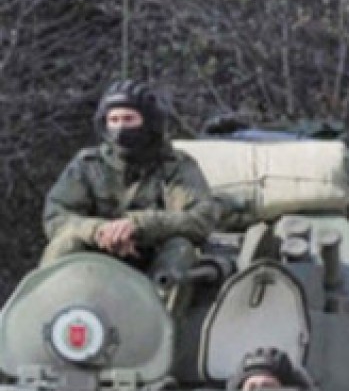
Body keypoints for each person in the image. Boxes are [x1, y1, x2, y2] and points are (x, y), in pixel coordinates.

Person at [41, 80, 218, 266]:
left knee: (180, 249)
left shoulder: (175, 165)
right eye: (114, 120)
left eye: (128, 119)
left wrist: (137, 225)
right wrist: (98, 230)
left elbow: (201, 218)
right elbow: (56, 215)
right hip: (96, 256)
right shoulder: (88, 164)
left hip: (152, 256)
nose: (120, 128)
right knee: (65, 244)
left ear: (149, 122)